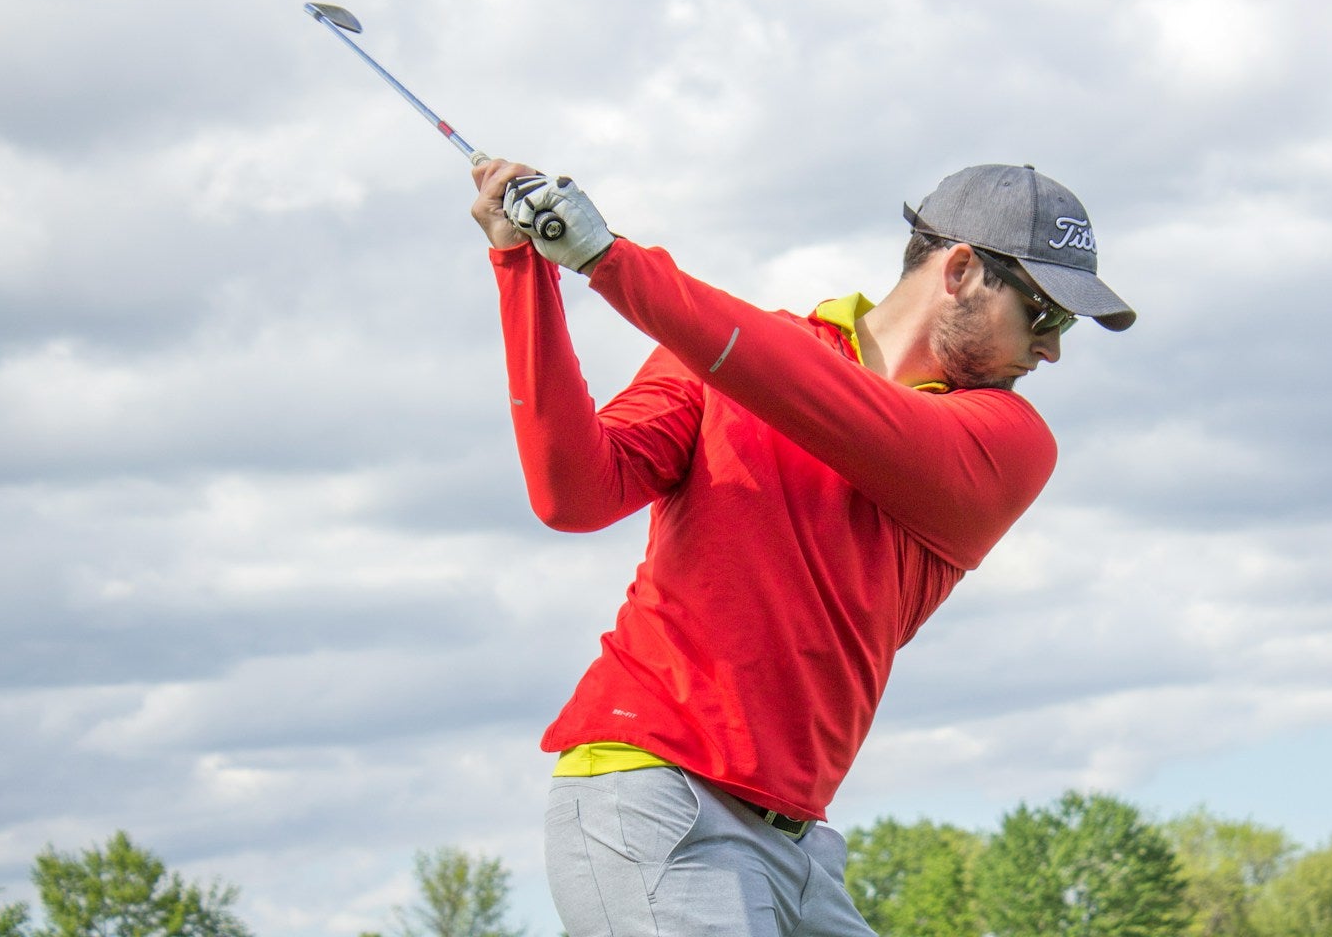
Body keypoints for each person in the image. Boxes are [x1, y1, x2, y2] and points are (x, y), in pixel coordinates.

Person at [469, 159, 1136, 937]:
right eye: (1044, 317)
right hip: (653, 790)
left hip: (800, 847)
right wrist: (525, 269)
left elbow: (824, 402)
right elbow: (576, 494)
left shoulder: (1009, 442)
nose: (1051, 352)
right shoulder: (731, 354)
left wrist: (611, 262)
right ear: (960, 270)